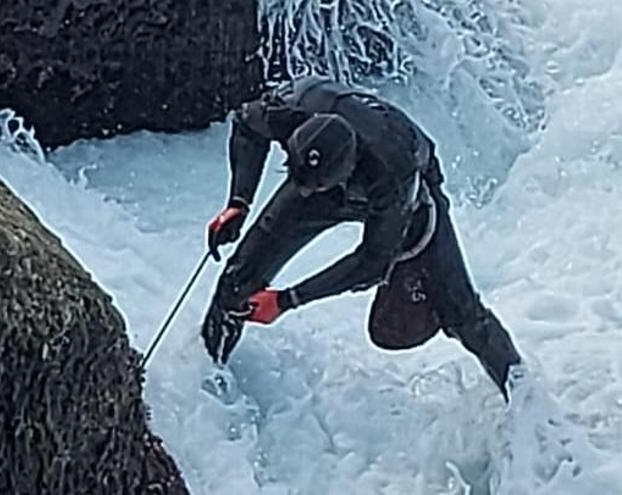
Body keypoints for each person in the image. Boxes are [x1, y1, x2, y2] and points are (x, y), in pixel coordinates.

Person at [201, 76, 522, 398]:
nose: (304, 191)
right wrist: (238, 203)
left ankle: (525, 398)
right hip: (323, 172)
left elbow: (372, 263)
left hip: (409, 194)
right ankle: (211, 386)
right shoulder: (290, 108)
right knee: (238, 282)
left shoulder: (393, 173)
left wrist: (287, 300)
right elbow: (246, 126)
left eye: (313, 186)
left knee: (461, 314)